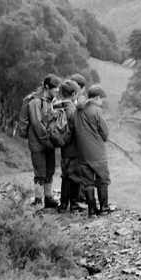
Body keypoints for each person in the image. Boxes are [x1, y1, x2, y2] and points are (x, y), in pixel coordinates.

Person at [16, 74, 60, 208]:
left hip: (48, 143)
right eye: (55, 88)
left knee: (50, 170)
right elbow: (36, 123)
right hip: (38, 143)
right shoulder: (35, 102)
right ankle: (38, 201)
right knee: (40, 173)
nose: (57, 90)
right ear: (47, 87)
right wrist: (47, 140)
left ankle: (48, 198)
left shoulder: (49, 101)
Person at [70, 83, 112, 216]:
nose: (101, 103)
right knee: (102, 180)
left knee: (87, 182)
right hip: (97, 153)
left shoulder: (77, 110)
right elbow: (105, 134)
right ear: (97, 97)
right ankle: (104, 208)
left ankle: (92, 210)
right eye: (101, 100)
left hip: (82, 154)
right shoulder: (96, 111)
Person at [55, 78, 86, 213]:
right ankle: (73, 205)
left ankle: (63, 205)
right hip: (73, 149)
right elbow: (76, 130)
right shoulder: (72, 109)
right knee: (74, 177)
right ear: (74, 94)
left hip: (64, 148)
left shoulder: (59, 106)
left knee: (65, 176)